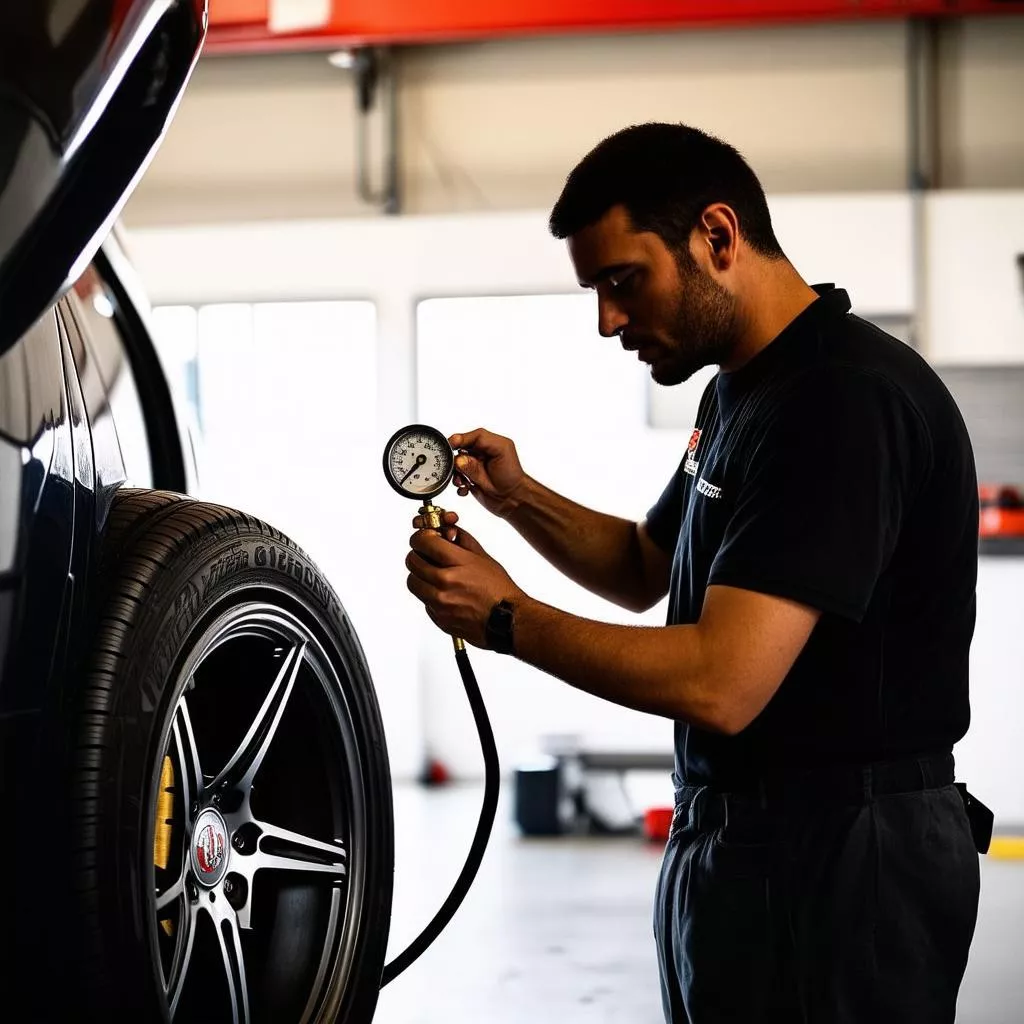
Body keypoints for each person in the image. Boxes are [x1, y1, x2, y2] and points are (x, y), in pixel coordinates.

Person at [404, 123, 983, 1023]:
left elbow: (723, 682)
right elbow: (646, 564)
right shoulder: (741, 391)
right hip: (746, 839)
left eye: (622, 281)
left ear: (717, 236)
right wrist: (517, 500)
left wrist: (510, 619)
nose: (607, 321)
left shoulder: (840, 401)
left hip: (844, 853)